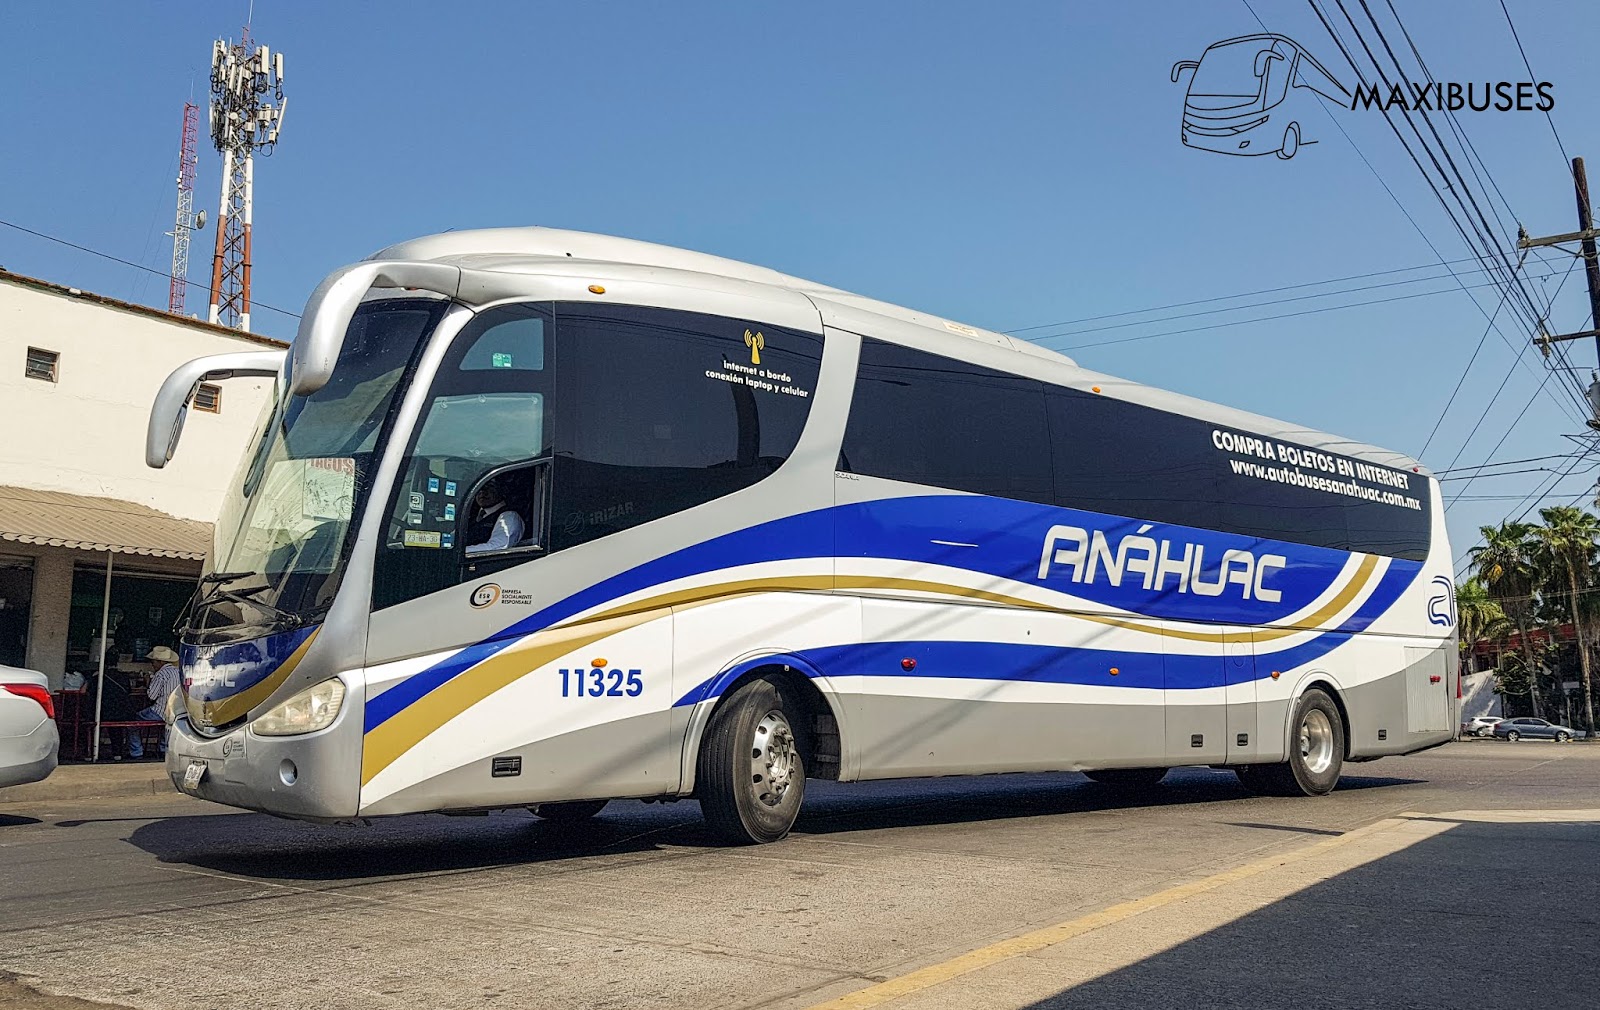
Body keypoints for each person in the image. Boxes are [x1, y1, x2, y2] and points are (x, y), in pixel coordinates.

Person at [465, 477, 525, 555]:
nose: (483, 492)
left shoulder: (508, 517)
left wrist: (459, 551)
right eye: (479, 487)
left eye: (490, 487)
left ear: (502, 490)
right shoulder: (471, 516)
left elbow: (498, 547)